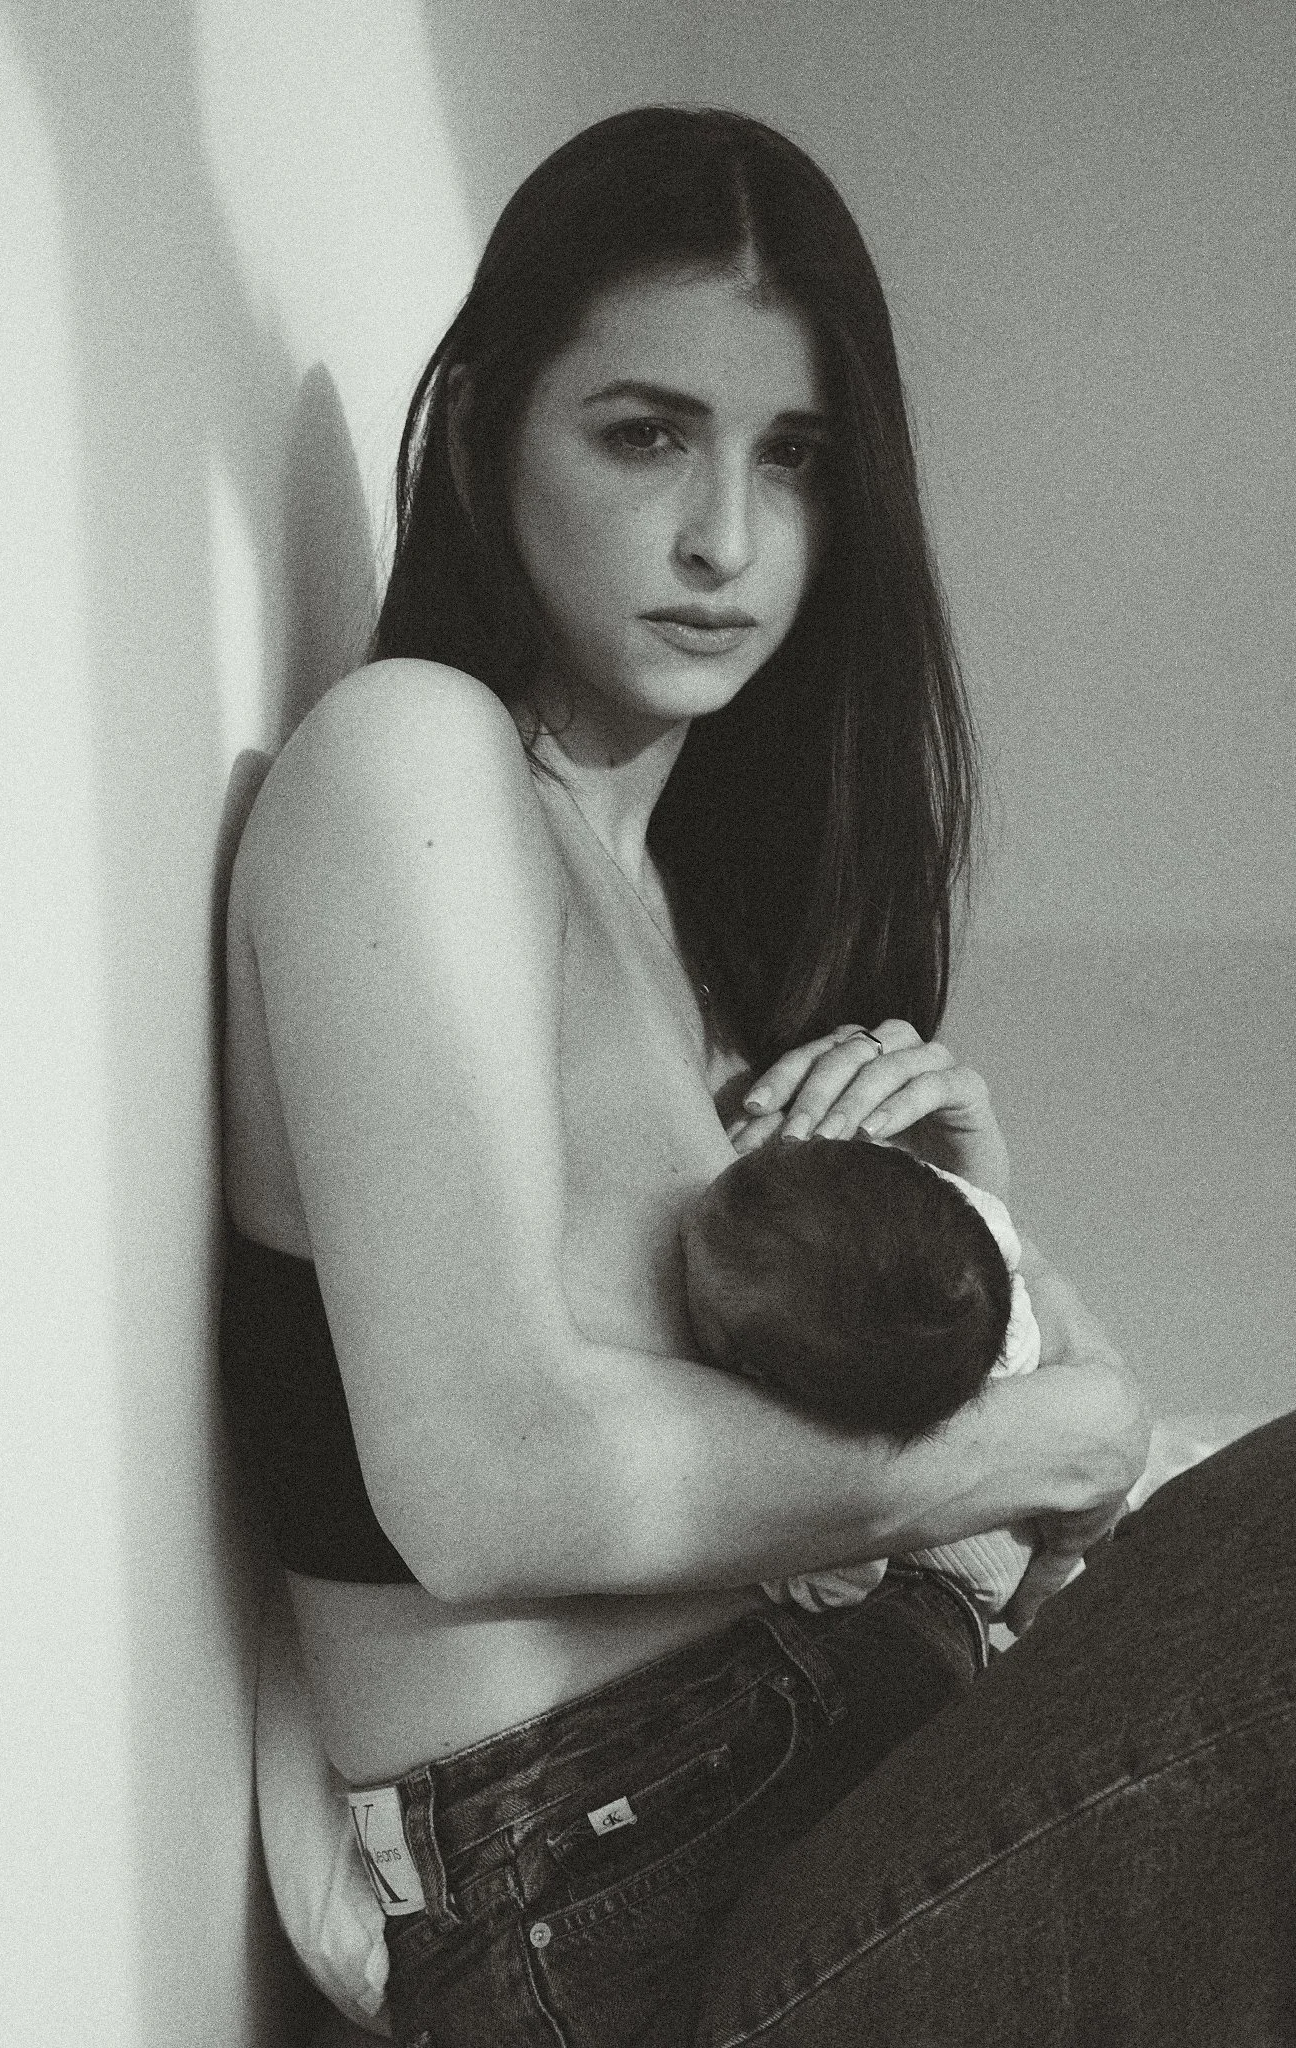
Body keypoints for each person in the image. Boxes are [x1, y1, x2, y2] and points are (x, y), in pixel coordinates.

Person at [220, 106, 1295, 2046]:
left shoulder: (702, 942)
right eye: (645, 435)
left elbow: (1025, 1531)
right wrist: (1046, 1437)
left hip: (841, 1787)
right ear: (478, 435)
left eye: (790, 460)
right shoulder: (415, 764)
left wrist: (988, 1247)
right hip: (620, 1918)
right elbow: (479, 1478)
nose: (724, 537)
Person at [680, 1132, 1040, 1616]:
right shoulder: (968, 1227)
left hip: (978, 1564)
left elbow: (839, 1583)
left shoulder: (833, 1494)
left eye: (708, 1318)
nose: (689, 1219)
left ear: (762, 1383)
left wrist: (771, 1570)